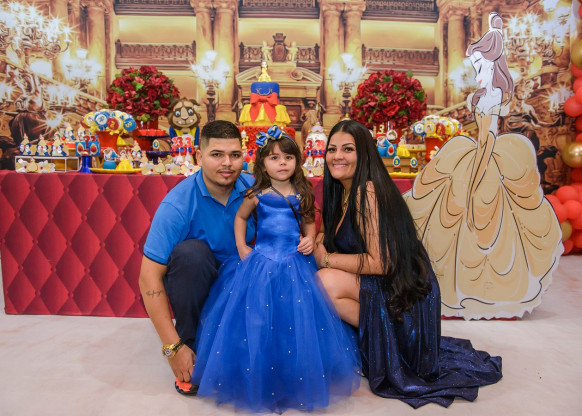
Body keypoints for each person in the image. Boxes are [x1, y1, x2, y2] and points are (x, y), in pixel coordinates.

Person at [312, 119, 503, 408]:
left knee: (325, 281)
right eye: (332, 149)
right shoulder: (341, 191)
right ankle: (373, 344)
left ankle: (394, 343)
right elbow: (330, 234)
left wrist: (326, 258)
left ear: (364, 154)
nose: (337, 156)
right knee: (318, 275)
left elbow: (381, 263)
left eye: (348, 149)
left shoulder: (367, 192)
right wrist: (318, 240)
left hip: (403, 292)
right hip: (381, 284)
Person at [403, 13, 563, 319]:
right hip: (475, 152)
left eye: (479, 64)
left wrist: (475, 176)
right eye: (475, 65)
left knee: (486, 223)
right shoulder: (480, 95)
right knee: (452, 216)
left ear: (492, 63)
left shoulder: (494, 95)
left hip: (487, 157)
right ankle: (458, 286)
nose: (477, 70)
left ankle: (488, 289)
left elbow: (488, 137)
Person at [191, 125, 360, 413]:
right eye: (274, 158)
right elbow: (240, 219)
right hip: (262, 261)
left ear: (297, 161)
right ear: (262, 163)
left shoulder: (302, 192)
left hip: (295, 262)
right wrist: (242, 246)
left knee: (298, 321)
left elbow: (309, 222)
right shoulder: (256, 193)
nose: (282, 163)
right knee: (257, 319)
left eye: (288, 157)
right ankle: (258, 373)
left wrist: (309, 238)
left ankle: (294, 374)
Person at [138, 120, 256, 394]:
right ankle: (190, 342)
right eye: (217, 154)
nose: (227, 163)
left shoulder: (255, 190)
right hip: (201, 286)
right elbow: (148, 277)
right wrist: (172, 347)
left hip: (242, 284)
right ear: (198, 156)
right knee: (190, 255)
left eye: (234, 155)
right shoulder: (177, 204)